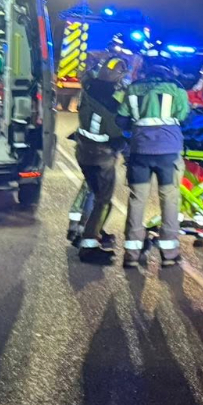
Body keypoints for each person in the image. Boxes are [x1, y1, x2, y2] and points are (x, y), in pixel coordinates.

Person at [117, 62, 190, 268]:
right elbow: (184, 117)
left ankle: (131, 253)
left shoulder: (133, 88)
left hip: (140, 151)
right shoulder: (176, 88)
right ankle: (169, 254)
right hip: (168, 153)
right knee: (169, 200)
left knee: (137, 199)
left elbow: (121, 120)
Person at [72, 58, 129, 260]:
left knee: (93, 194)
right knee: (104, 201)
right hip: (100, 157)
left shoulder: (89, 87)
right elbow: (117, 131)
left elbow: (86, 76)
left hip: (83, 152)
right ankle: (89, 246)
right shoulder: (111, 103)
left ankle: (87, 230)